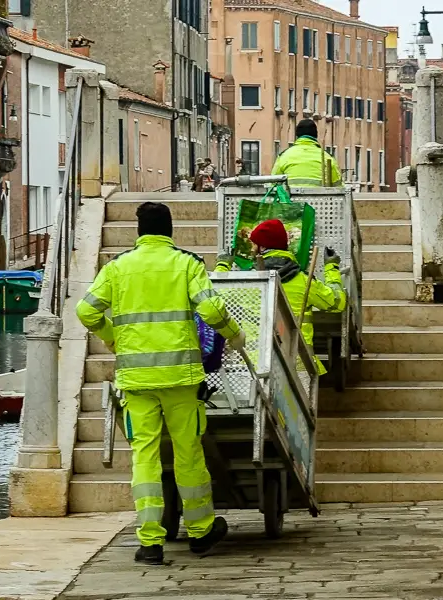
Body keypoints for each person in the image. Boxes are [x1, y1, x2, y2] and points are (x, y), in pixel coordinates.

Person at [76, 202, 246, 566]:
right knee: (188, 453)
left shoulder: (117, 268)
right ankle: (200, 531)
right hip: (181, 379)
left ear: (139, 232)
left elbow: (86, 311)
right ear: (170, 231)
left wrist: (113, 338)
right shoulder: (186, 264)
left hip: (137, 380)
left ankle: (150, 541)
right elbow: (211, 310)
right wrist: (234, 335)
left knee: (145, 458)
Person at [215, 219, 346, 375]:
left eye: (254, 244)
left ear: (262, 247)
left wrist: (223, 266)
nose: (251, 250)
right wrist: (332, 268)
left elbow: (214, 297)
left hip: (255, 366)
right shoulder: (304, 281)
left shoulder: (249, 281)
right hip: (298, 367)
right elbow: (337, 302)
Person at [272, 119, 343, 187]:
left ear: (297, 136)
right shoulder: (327, 157)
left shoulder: (284, 156)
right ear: (316, 135)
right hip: (320, 198)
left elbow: (273, 183)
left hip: (289, 199)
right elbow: (338, 186)